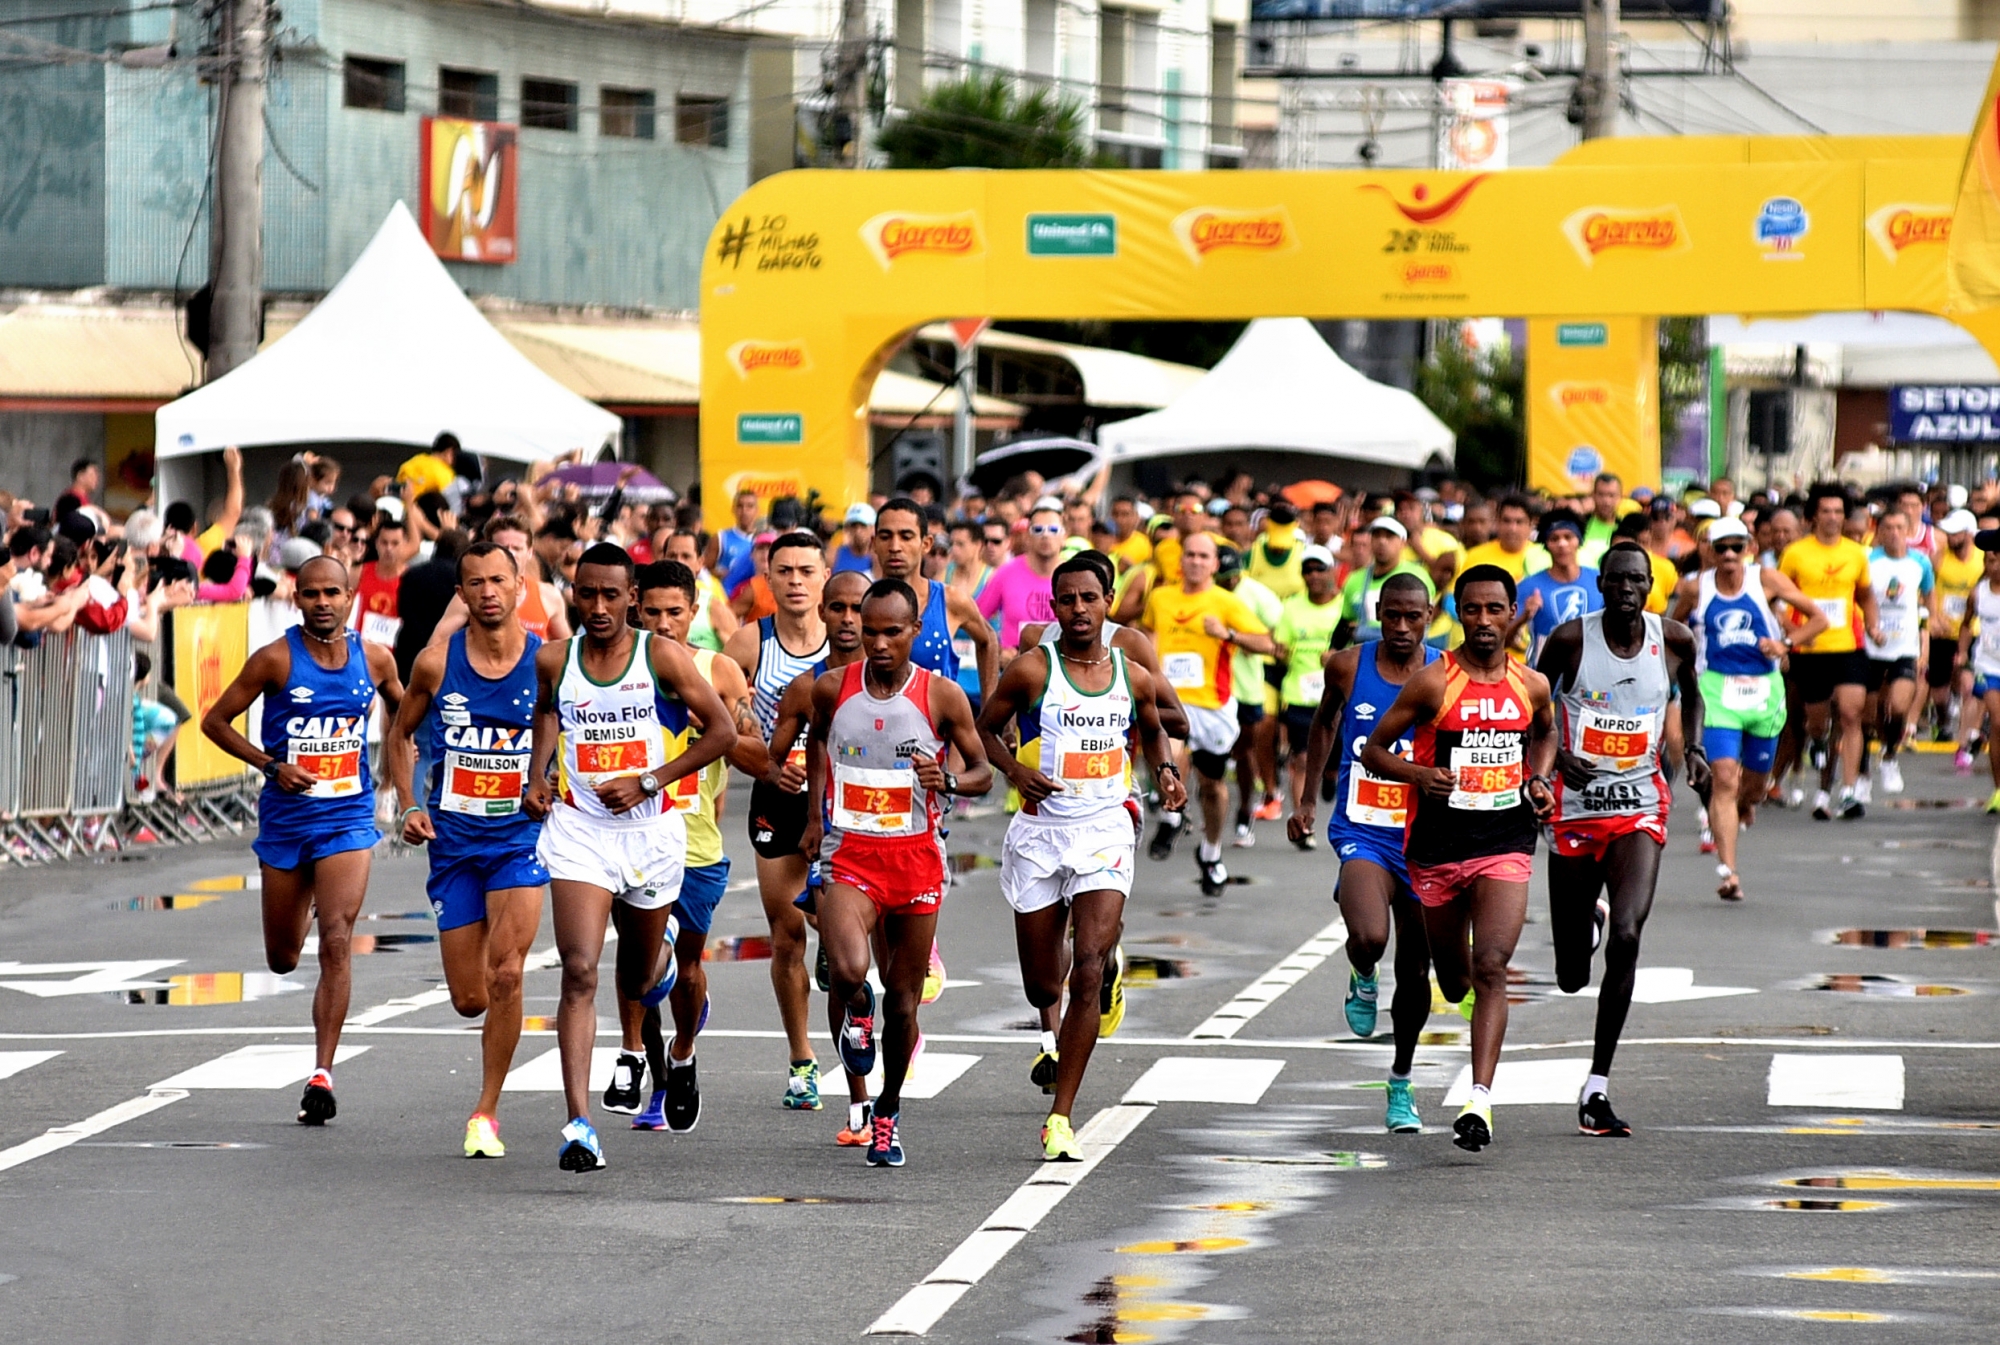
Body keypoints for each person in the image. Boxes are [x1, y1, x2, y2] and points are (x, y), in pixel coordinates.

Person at [524, 544, 734, 1172]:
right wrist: (538, 775)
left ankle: (663, 970)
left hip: (652, 833)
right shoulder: (554, 659)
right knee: (581, 969)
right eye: (586, 594)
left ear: (632, 598)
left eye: (611, 595)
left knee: (640, 978)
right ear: (572, 593)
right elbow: (547, 714)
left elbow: (722, 732)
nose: (598, 607)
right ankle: (580, 1123)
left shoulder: (662, 657)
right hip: (580, 830)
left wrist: (648, 781)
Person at [977, 556, 1181, 1161]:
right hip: (1042, 833)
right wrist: (1015, 769)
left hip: (1105, 828)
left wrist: (1165, 771)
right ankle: (1068, 978)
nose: (1079, 610)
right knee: (1045, 982)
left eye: (1089, 599)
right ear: (1054, 606)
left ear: (1108, 600)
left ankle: (1061, 1116)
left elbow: (1156, 726)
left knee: (1087, 967)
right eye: (1066, 601)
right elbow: (985, 729)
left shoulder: (1133, 672)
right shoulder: (1031, 670)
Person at [199, 556, 404, 1125]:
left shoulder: (375, 657)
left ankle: (322, 1072)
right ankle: (306, 901)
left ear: (350, 595)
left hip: (348, 816)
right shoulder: (274, 659)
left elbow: (405, 710)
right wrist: (270, 765)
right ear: (297, 598)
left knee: (338, 939)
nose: (322, 602)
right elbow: (214, 721)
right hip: (288, 822)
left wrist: (398, 775)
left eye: (332, 592)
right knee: (284, 958)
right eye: (311, 593)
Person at [1362, 565, 1556, 1153]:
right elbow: (1373, 750)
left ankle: (1479, 1099)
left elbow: (1546, 734)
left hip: (1504, 842)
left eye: (1495, 609)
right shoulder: (1431, 683)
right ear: (1458, 613)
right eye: (1472, 610)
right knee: (1453, 978)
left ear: (1511, 612)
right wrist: (1421, 774)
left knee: (1493, 967)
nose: (1484, 621)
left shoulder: (1532, 684)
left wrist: (1539, 778)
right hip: (1437, 850)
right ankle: (1461, 985)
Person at [801, 580, 992, 1168]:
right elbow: (814, 745)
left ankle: (887, 1111)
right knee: (851, 971)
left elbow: (984, 769)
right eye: (870, 630)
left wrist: (951, 782)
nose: (879, 643)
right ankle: (856, 1006)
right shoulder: (832, 688)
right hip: (850, 852)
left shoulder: (942, 696)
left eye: (892, 632)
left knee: (905, 1004)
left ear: (914, 632)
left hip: (915, 857)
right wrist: (814, 813)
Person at [1536, 543, 1707, 1137]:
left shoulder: (1676, 640)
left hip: (1640, 803)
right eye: (1616, 580)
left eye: (1637, 580)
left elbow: (1693, 694)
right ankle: (1590, 918)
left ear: (1650, 584)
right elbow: (1536, 707)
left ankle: (1597, 1086)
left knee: (1631, 936)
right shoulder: (1568, 641)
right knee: (1569, 976)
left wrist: (1698, 750)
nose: (1627, 589)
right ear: (1600, 584)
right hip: (1576, 810)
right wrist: (1555, 764)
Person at [386, 541, 545, 1159]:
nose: (487, 592)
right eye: (474, 582)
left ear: (519, 587)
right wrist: (408, 805)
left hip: (518, 839)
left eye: (498, 581)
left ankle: (486, 1111)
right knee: (470, 997)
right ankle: (487, 1073)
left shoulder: (546, 663)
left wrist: (550, 783)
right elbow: (401, 735)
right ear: (462, 593)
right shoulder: (435, 663)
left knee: (507, 973)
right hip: (453, 841)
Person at [1286, 573, 1437, 1133]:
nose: (1400, 627)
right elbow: (1324, 722)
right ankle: (1362, 970)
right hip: (1364, 828)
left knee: (1418, 969)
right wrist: (1307, 798)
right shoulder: (1348, 666)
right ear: (1378, 611)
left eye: (1412, 617)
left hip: (1424, 837)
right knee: (1372, 936)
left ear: (1430, 615)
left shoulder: (1446, 673)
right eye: (1391, 615)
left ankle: (1401, 1082)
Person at [615, 560, 761, 1132]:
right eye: (651, 612)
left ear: (693, 613)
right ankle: (650, 1069)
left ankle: (682, 1053)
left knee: (687, 966)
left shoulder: (717, 671)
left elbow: (757, 755)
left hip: (695, 845)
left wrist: (712, 733)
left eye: (675, 612)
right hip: (626, 843)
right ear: (634, 608)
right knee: (639, 970)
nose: (663, 623)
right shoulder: (611, 669)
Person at [761, 570, 881, 1144]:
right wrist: (780, 772)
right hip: (816, 832)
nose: (849, 618)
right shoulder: (806, 687)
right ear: (825, 616)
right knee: (796, 940)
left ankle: (864, 995)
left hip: (881, 837)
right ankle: (823, 1075)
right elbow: (770, 756)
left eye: (859, 607)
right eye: (838, 608)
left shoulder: (905, 685)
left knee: (867, 975)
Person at [722, 531, 834, 1109]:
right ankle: (801, 1059)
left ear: (824, 575)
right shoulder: (749, 643)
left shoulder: (847, 637)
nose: (794, 581)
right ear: (768, 577)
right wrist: (766, 766)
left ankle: (833, 942)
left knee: (840, 930)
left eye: (805, 571)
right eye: (783, 570)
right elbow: (725, 724)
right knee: (786, 931)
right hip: (779, 796)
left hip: (840, 799)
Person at [1670, 518, 1827, 901]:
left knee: (1754, 787)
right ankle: (1729, 872)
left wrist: (1786, 643)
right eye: (1720, 547)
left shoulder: (1767, 581)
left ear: (1749, 548)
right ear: (1708, 548)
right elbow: (1671, 630)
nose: (1727, 555)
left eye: (1735, 547)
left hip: (1763, 692)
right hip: (1716, 689)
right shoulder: (1695, 588)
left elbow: (1820, 618)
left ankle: (1747, 805)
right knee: (1724, 777)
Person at [1136, 531, 1278, 893]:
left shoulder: (1226, 602)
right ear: (1180, 560)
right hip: (1170, 700)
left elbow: (1267, 643)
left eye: (1203, 556)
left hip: (1213, 705)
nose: (1196, 561)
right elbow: (1148, 634)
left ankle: (1211, 852)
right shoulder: (1160, 597)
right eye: (1190, 554)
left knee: (1213, 785)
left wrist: (1228, 634)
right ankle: (1171, 818)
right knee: (1169, 755)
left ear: (1215, 564)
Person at [1779, 485, 1880, 821]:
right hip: (1810, 650)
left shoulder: (1855, 553)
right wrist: (1795, 633)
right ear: (1812, 516)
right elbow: (1777, 600)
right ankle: (1818, 745)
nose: (1834, 518)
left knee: (1852, 714)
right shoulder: (1796, 553)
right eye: (1827, 511)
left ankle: (1849, 791)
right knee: (1817, 723)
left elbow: (1866, 596)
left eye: (1839, 512)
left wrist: (1874, 626)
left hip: (1848, 645)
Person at [1272, 544, 1344, 832]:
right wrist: (1279, 650)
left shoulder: (1343, 606)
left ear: (1332, 571)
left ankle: (1330, 773)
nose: (1313, 575)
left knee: (1334, 755)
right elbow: (1282, 646)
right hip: (1300, 693)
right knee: (1300, 758)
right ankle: (1301, 818)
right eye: (1307, 570)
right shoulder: (1291, 607)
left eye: (1319, 569)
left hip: (1339, 693)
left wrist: (1336, 656)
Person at [1862, 509, 1934, 797]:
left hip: (1905, 645)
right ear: (1879, 531)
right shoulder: (1868, 560)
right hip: (1873, 645)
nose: (1893, 533)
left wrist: (1929, 626)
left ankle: (1890, 754)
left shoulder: (1920, 562)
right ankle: (1864, 772)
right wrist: (1869, 626)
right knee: (1871, 712)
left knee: (1899, 707)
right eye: (1887, 527)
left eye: (1899, 528)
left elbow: (1929, 594)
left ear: (1908, 531)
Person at [1216, 544, 1284, 842]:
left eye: (1234, 576)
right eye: (1223, 577)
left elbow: (1275, 636)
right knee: (1208, 756)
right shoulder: (1203, 596)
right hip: (1209, 689)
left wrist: (1237, 637)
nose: (1230, 582)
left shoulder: (1256, 594)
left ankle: (1245, 807)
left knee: (1244, 752)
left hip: (1245, 686)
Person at [1511, 512, 1601, 663]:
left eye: (1568, 537)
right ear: (1546, 544)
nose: (1562, 544)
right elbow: (1503, 640)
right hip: (1545, 679)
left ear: (1578, 540)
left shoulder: (1599, 580)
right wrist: (1524, 616)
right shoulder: (1528, 587)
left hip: (1592, 679)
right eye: (1554, 538)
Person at [978, 499, 1064, 657]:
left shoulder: (1073, 576)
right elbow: (976, 620)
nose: (1045, 535)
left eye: (1053, 529)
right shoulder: (1005, 574)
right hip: (1014, 670)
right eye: (1038, 529)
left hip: (1062, 668)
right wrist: (997, 649)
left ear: (1064, 536)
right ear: (1028, 536)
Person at [1929, 510, 1981, 750]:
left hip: (1972, 630)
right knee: (1938, 691)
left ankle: (1965, 736)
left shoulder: (1982, 560)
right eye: (1948, 533)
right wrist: (1934, 617)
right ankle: (1942, 720)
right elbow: (1926, 590)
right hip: (1943, 630)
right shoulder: (1939, 558)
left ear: (1969, 534)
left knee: (1968, 684)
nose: (1950, 537)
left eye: (1956, 533)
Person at [1337, 518, 1433, 646]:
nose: (1382, 541)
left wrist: (1362, 633)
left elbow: (1423, 624)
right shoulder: (1354, 579)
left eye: (1389, 537)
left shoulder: (1418, 576)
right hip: (1365, 656)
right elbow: (1345, 622)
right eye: (1376, 536)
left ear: (1403, 542)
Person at [1957, 544, 2000, 813]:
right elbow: (1966, 623)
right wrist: (1962, 653)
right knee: (1998, 720)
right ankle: (1998, 790)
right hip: (1988, 667)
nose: (1992, 566)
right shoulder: (1979, 593)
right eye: (1988, 560)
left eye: (1996, 560)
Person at [351, 509, 415, 648]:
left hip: (394, 658)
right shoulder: (359, 572)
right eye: (384, 543)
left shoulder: (412, 580)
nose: (389, 549)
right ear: (376, 543)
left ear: (404, 544)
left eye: (395, 543)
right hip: (361, 652)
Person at [832, 503, 877, 575]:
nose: (858, 531)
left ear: (873, 528)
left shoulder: (878, 559)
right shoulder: (834, 556)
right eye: (853, 526)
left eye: (863, 526)